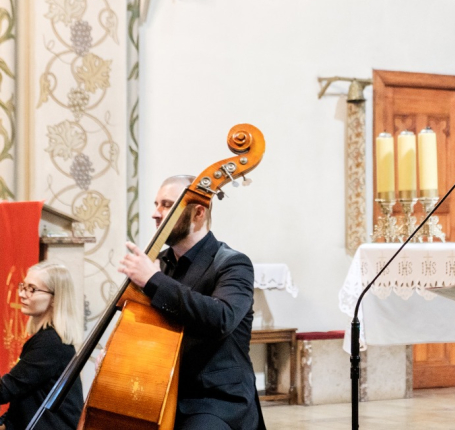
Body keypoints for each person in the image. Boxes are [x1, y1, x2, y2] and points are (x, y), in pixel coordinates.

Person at [118, 175, 265, 430]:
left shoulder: (232, 263)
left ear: (198, 212)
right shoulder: (159, 263)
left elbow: (222, 318)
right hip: (161, 391)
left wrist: (153, 280)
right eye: (156, 204)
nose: (156, 213)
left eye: (167, 205)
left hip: (215, 400)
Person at [0, 262, 84, 430]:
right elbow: (23, 398)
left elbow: (6, 389)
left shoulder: (51, 344)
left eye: (32, 289)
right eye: (23, 286)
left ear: (55, 298)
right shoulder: (46, 339)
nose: (22, 294)